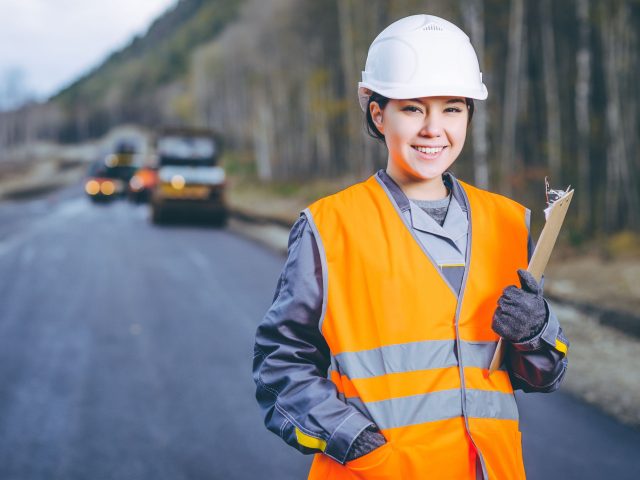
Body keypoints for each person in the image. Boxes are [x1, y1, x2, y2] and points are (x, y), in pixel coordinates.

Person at [253, 14, 569, 480]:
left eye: (452, 108)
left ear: (469, 115)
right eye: (413, 108)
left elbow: (538, 375)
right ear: (378, 115)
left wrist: (537, 331)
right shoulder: (330, 227)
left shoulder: (506, 222)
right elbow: (280, 363)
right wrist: (353, 439)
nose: (433, 129)